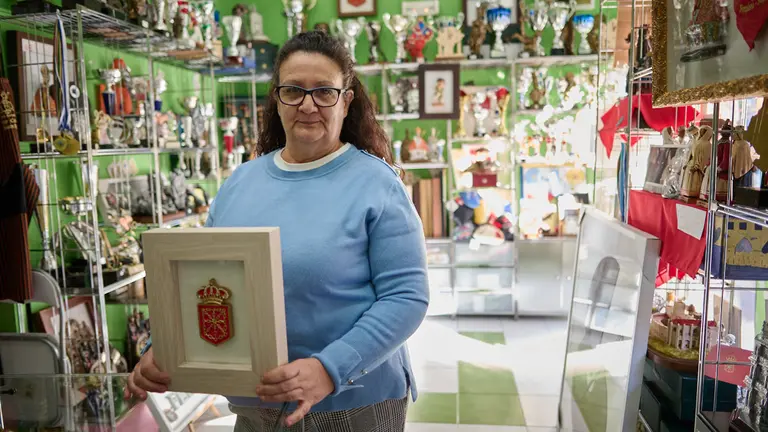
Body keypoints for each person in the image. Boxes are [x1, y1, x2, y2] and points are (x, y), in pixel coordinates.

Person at [126, 31, 429, 432]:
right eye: (293, 90)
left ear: (347, 100)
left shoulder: (377, 184)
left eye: (324, 92)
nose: (308, 104)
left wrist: (328, 369)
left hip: (352, 406)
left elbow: (406, 297)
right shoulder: (240, 183)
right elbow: (199, 280)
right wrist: (162, 347)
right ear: (277, 97)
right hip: (255, 404)